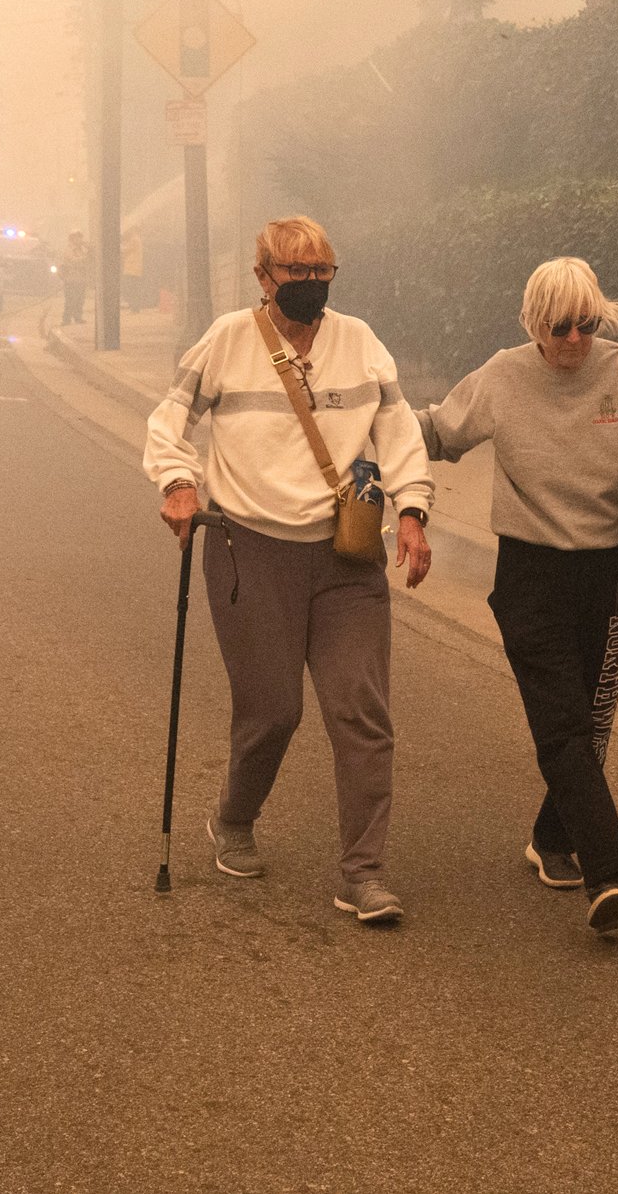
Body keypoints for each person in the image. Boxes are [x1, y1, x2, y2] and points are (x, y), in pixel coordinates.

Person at [419, 256, 618, 937]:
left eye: (586, 326)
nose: (573, 342)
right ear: (533, 322)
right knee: (562, 725)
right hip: (532, 575)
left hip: (610, 573)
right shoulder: (502, 375)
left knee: (591, 723)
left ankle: (550, 838)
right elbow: (436, 433)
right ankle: (607, 872)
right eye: (559, 328)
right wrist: (363, 425)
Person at [142, 216, 434, 925]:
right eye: (294, 274)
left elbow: (398, 434)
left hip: (343, 558)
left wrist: (414, 509)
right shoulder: (228, 341)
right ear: (262, 276)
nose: (309, 286)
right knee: (273, 711)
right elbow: (168, 420)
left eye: (321, 273)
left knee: (361, 713)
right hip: (251, 550)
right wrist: (178, 481)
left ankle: (363, 873)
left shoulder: (361, 343)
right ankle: (234, 818)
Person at [59, 231, 92, 326]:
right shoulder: (68, 250)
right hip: (71, 278)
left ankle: (78, 317)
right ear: (72, 239)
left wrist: (88, 250)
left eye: (80, 238)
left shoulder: (82, 249)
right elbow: (74, 261)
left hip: (81, 278)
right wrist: (85, 258)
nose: (80, 240)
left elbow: (89, 260)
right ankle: (66, 319)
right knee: (70, 299)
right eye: (77, 238)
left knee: (80, 299)